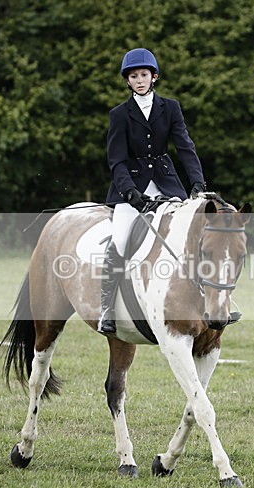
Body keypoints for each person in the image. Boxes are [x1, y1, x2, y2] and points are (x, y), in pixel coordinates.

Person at [98, 47, 207, 334]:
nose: (139, 80)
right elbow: (117, 160)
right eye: (134, 76)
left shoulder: (170, 107)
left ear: (154, 76)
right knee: (120, 240)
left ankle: (211, 302)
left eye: (144, 74)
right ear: (128, 81)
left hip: (167, 184)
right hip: (130, 188)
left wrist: (197, 182)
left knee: (193, 237)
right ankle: (107, 308)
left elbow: (185, 146)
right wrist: (130, 192)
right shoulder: (119, 114)